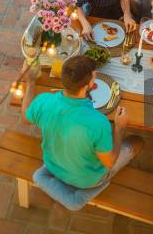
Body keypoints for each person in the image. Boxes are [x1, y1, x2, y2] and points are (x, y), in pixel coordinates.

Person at [21, 56, 144, 209]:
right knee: (138, 141)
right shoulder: (99, 122)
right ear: (89, 85)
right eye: (94, 76)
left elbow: (25, 117)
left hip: (53, 165)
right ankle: (97, 185)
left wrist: (30, 82)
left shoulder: (44, 100)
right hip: (88, 180)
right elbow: (110, 162)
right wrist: (119, 129)